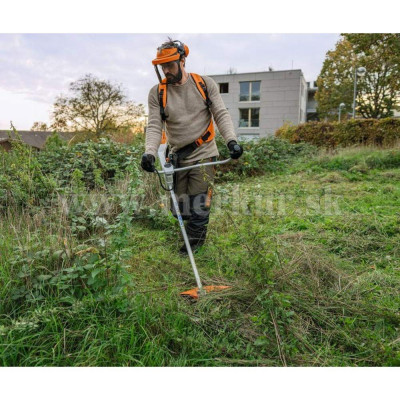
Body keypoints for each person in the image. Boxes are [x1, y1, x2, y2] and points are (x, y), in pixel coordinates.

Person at [141, 38, 243, 254]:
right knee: (179, 209)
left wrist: (231, 141)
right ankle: (189, 232)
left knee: (198, 205)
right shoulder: (157, 93)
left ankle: (191, 250)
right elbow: (154, 125)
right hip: (177, 155)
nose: (166, 70)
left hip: (204, 152)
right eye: (162, 66)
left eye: (170, 64)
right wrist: (149, 153)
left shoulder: (204, 84)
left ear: (183, 60)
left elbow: (221, 114)